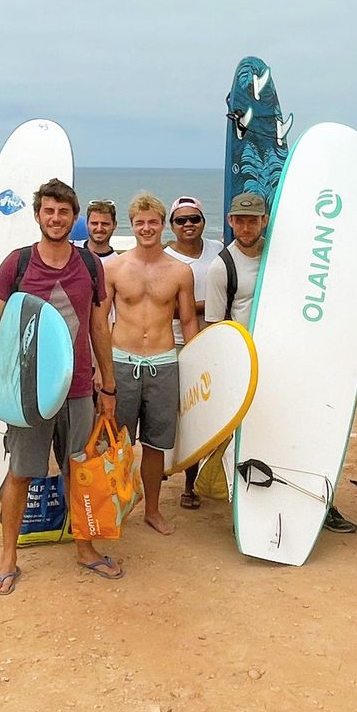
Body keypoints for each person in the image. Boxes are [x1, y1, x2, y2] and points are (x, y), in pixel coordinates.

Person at [0, 178, 117, 594]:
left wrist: (107, 386)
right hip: (28, 394)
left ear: (73, 219)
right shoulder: (17, 264)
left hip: (77, 390)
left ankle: (85, 548)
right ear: (38, 215)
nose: (56, 219)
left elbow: (97, 326)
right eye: (48, 211)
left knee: (80, 469)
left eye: (63, 212)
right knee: (21, 473)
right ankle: (8, 557)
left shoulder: (91, 265)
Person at [104, 194, 201, 535]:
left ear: (162, 225)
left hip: (163, 362)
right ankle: (114, 507)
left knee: (156, 444)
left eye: (153, 222)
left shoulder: (180, 271)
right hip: (121, 360)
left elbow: (188, 321)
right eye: (140, 222)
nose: (146, 228)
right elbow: (99, 320)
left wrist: (195, 363)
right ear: (133, 226)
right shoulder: (113, 267)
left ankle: (153, 510)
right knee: (116, 443)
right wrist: (100, 369)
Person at [164, 194, 218, 510]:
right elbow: (165, 308)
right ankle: (188, 481)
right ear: (172, 225)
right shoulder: (165, 257)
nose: (188, 225)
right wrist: (206, 304)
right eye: (181, 220)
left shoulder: (218, 250)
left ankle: (211, 474)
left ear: (202, 221)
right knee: (185, 409)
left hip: (214, 337)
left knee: (213, 409)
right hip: (177, 342)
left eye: (193, 218)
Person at [203, 190, 267, 328]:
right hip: (242, 346)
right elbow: (214, 324)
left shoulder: (275, 254)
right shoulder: (221, 267)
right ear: (230, 221)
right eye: (239, 221)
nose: (245, 228)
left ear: (264, 221)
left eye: (252, 221)